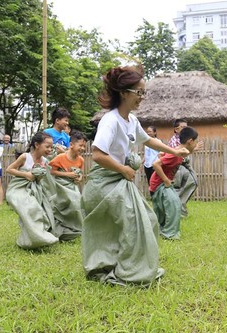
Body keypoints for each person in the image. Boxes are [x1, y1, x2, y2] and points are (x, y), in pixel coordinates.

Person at [80, 64, 189, 286]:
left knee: (147, 219)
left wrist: (174, 150)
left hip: (120, 179)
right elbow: (98, 155)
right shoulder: (110, 120)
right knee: (131, 222)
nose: (142, 97)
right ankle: (127, 270)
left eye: (143, 92)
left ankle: (129, 264)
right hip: (105, 182)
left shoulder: (132, 121)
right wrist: (123, 169)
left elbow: (149, 140)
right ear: (123, 93)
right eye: (138, 92)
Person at [6, 132, 59, 249]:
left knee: (40, 212)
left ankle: (31, 240)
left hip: (35, 190)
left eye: (51, 146)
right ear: (37, 145)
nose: (50, 149)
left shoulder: (45, 161)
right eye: (47, 146)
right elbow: (9, 169)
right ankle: (38, 238)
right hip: (19, 189)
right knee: (32, 209)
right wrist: (26, 174)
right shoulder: (25, 157)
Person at [150, 127, 199, 240]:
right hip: (159, 184)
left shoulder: (180, 151)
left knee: (169, 206)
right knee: (174, 205)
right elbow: (156, 164)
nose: (196, 144)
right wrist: (166, 180)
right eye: (196, 142)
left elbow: (162, 155)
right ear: (190, 141)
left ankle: (160, 229)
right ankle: (169, 234)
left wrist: (162, 155)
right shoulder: (176, 154)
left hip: (162, 183)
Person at [48, 130, 87, 241]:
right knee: (69, 203)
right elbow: (52, 172)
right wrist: (67, 174)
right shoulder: (60, 157)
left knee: (76, 204)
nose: (83, 148)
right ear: (71, 145)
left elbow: (80, 174)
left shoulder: (81, 160)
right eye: (80, 145)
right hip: (61, 185)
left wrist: (79, 178)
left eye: (84, 146)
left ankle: (72, 226)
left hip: (72, 186)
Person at [168, 118, 202, 217]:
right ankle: (176, 210)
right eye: (182, 127)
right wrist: (193, 149)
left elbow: (184, 153)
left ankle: (179, 209)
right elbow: (179, 154)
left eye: (186, 127)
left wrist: (193, 149)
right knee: (178, 188)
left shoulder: (182, 140)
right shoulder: (174, 140)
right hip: (177, 167)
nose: (184, 129)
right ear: (176, 129)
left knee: (191, 182)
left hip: (182, 165)